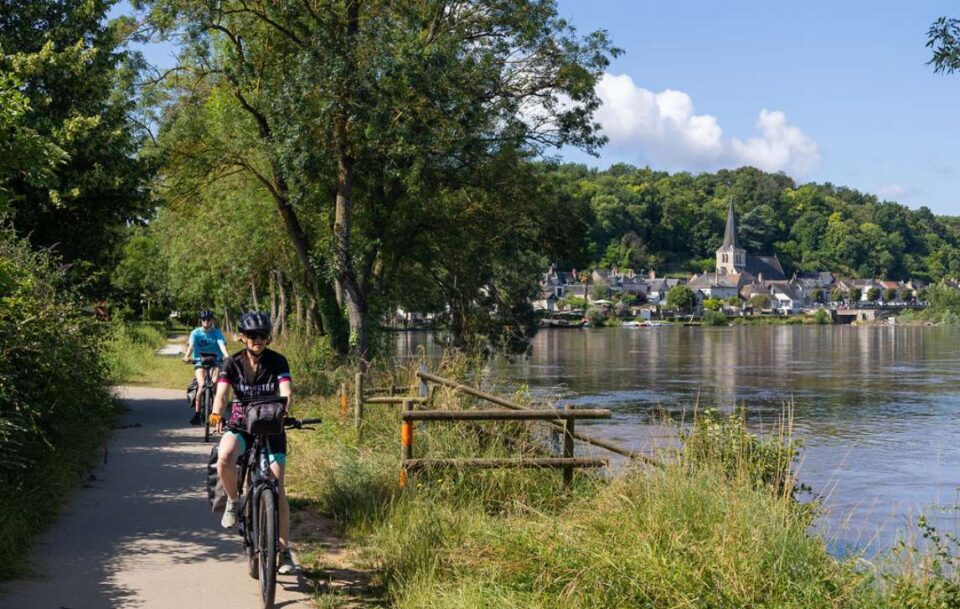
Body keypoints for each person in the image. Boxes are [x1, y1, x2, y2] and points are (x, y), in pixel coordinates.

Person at [208, 311, 297, 575]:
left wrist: (286, 410)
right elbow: (222, 394)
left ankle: (283, 550)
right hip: (241, 425)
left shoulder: (278, 361)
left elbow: (286, 391)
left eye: (263, 335)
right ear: (242, 337)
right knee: (224, 457)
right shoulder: (231, 363)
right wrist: (215, 412)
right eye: (252, 336)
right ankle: (234, 501)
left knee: (277, 487)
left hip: (272, 426)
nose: (258, 340)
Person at [182, 310, 230, 425]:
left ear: (212, 321)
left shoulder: (217, 332)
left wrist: (227, 356)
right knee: (202, 384)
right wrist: (187, 356)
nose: (206, 322)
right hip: (200, 361)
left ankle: (217, 414)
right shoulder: (196, 332)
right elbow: (192, 345)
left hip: (216, 361)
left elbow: (221, 345)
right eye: (204, 319)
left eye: (208, 319)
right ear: (201, 321)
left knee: (214, 384)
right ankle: (198, 414)